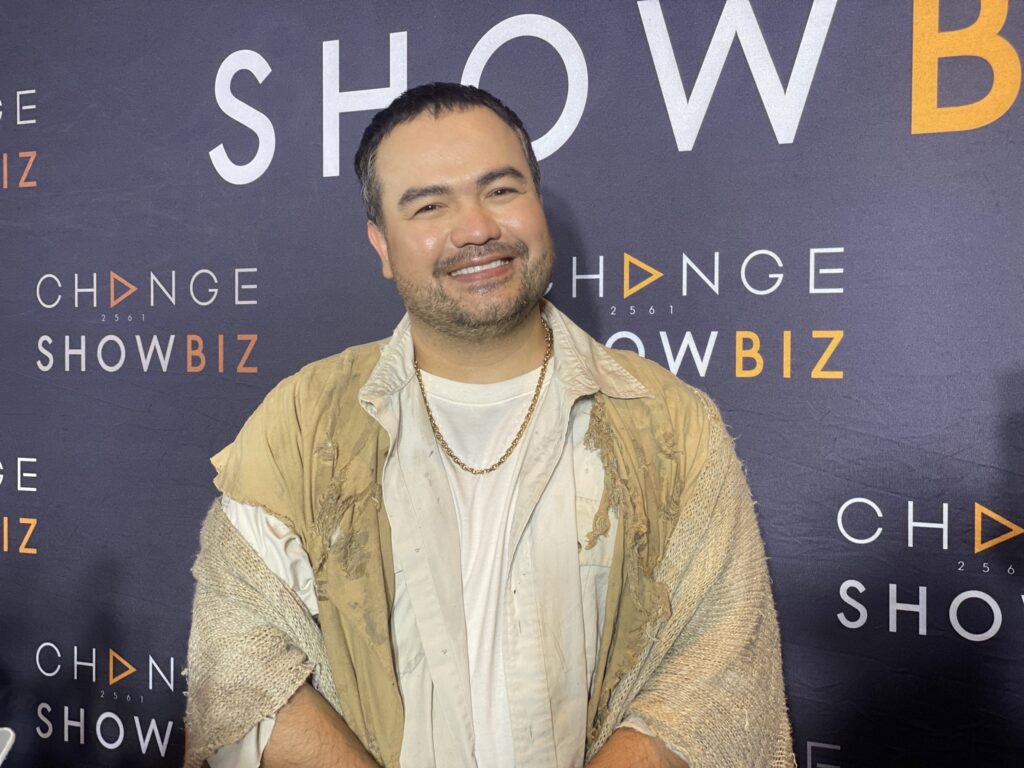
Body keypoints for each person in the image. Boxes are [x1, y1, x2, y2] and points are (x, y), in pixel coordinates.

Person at [184, 82, 794, 768]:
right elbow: (240, 659)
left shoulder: (671, 423)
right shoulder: (301, 422)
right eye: (429, 205)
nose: (476, 229)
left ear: (538, 205)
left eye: (501, 190)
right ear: (381, 244)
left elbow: (715, 671)